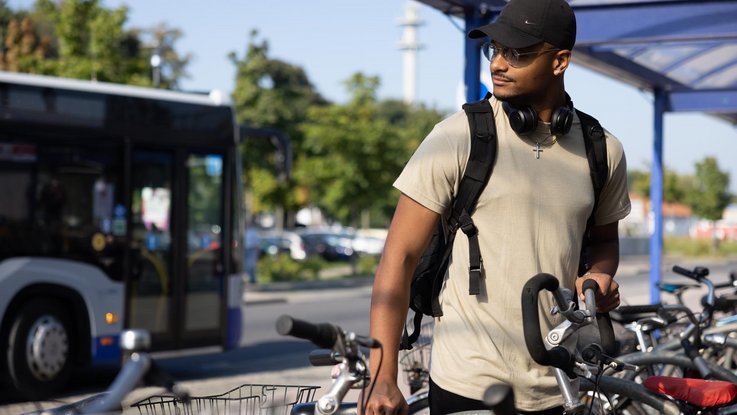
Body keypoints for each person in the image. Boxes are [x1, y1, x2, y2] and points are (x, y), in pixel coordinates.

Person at [363, 0, 631, 413]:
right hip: (468, 383)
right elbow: (398, 258)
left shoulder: (602, 149)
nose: (499, 63)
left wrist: (599, 276)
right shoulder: (457, 137)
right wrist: (382, 376)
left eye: (518, 53)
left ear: (560, 61)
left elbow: (604, 243)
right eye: (496, 49)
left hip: (561, 383)